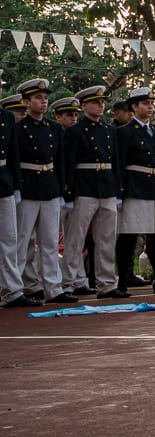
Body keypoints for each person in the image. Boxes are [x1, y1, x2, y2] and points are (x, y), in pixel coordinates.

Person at [61, 86, 124, 298]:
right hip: (84, 187)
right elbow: (68, 164)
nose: (100, 105)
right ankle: (68, 283)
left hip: (106, 186)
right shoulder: (74, 132)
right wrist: (68, 194)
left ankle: (106, 284)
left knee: (106, 239)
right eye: (95, 102)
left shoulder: (109, 131)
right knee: (75, 239)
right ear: (84, 105)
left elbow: (115, 163)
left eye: (102, 102)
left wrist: (118, 191)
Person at [14, 78, 74, 304]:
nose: (43, 101)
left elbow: (60, 162)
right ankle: (16, 287)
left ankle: (53, 287)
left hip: (49, 187)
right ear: (26, 102)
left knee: (49, 242)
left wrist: (61, 190)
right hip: (28, 187)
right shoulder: (19, 129)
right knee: (22, 242)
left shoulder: (53, 128)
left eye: (45, 97)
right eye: (38, 97)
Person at [114, 87, 155, 294]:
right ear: (134, 107)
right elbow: (119, 163)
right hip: (135, 187)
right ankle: (122, 281)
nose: (149, 107)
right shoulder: (124, 132)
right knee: (129, 237)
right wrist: (120, 192)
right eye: (144, 104)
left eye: (151, 104)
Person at [0, 80, 36, 309]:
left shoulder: (5, 118)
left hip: (3, 180)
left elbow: (13, 153)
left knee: (9, 239)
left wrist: (15, 186)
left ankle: (11, 290)